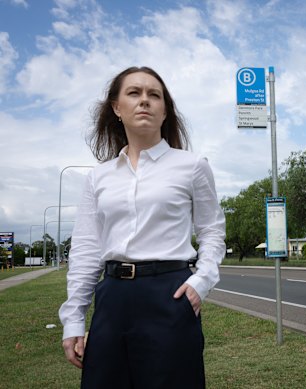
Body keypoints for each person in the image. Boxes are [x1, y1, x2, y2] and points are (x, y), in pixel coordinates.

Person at [59, 66, 226, 388]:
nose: (144, 101)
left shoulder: (192, 166)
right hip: (112, 298)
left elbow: (212, 229)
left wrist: (202, 280)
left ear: (165, 110)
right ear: (117, 108)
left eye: (154, 95)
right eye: (134, 93)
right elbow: (86, 248)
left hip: (170, 294)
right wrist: (74, 320)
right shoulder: (99, 177)